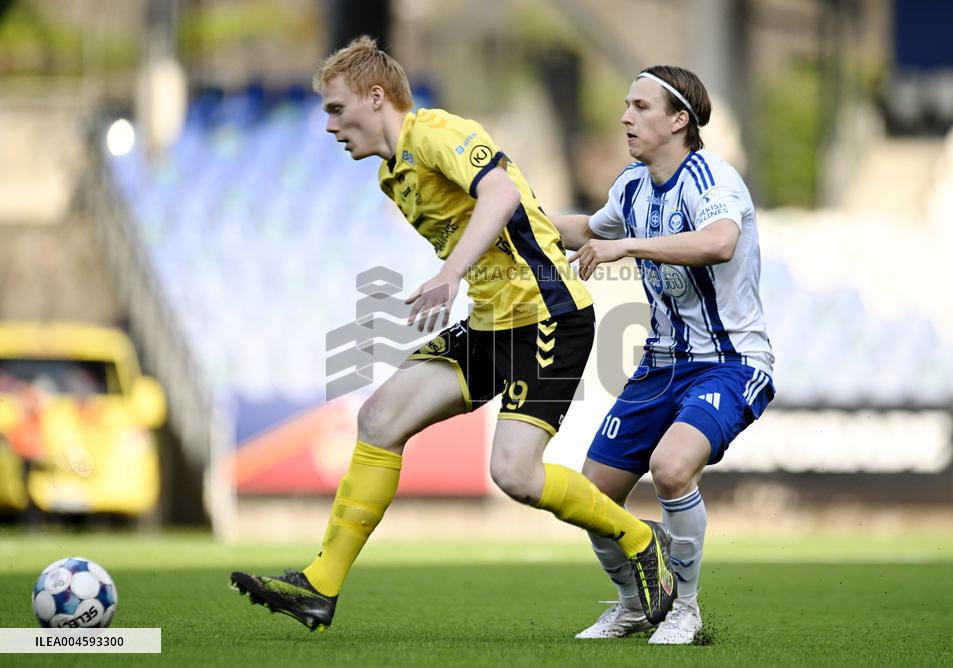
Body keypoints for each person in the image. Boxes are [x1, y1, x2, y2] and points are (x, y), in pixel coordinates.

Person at [230, 36, 677, 631]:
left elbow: (502, 192)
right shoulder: (393, 175)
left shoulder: (436, 132)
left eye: (337, 109)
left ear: (375, 96)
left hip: (548, 318)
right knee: (379, 420)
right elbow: (520, 216)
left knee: (515, 475)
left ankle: (641, 540)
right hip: (490, 323)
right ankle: (321, 585)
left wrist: (448, 273)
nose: (330, 125)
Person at [550, 65, 775, 645]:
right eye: (626, 105)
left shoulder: (714, 179)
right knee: (591, 495)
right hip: (658, 365)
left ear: (680, 119)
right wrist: (511, 214)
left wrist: (625, 243)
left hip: (731, 362)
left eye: (641, 107)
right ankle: (634, 604)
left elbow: (719, 242)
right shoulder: (630, 185)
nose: (626, 116)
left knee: (672, 468)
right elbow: (583, 231)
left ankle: (687, 611)